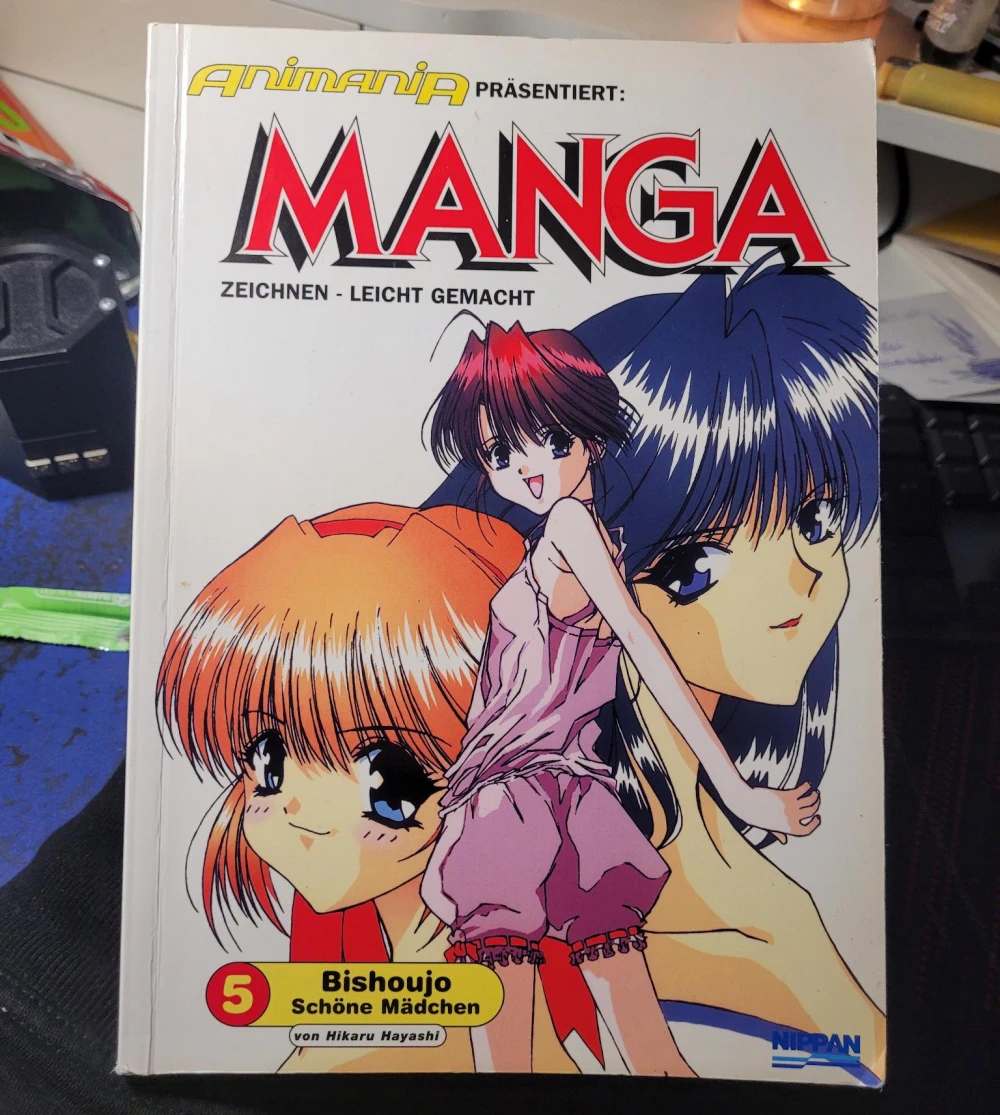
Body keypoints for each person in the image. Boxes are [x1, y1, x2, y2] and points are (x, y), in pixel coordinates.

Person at [419, 321, 821, 1076]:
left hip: (516, 794)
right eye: (501, 454)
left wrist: (737, 791)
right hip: (569, 792)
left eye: (550, 438)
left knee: (507, 1056)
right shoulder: (583, 537)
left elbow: (642, 644)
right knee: (643, 1039)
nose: (527, 468)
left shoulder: (571, 526)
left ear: (591, 438)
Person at [573, 259, 886, 1082]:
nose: (797, 582)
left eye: (816, 517)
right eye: (697, 563)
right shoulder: (606, 895)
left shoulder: (763, 897)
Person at [155, 502, 581, 1072]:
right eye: (269, 763)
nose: (303, 813)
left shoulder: (512, 943)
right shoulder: (347, 933)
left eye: (389, 782)